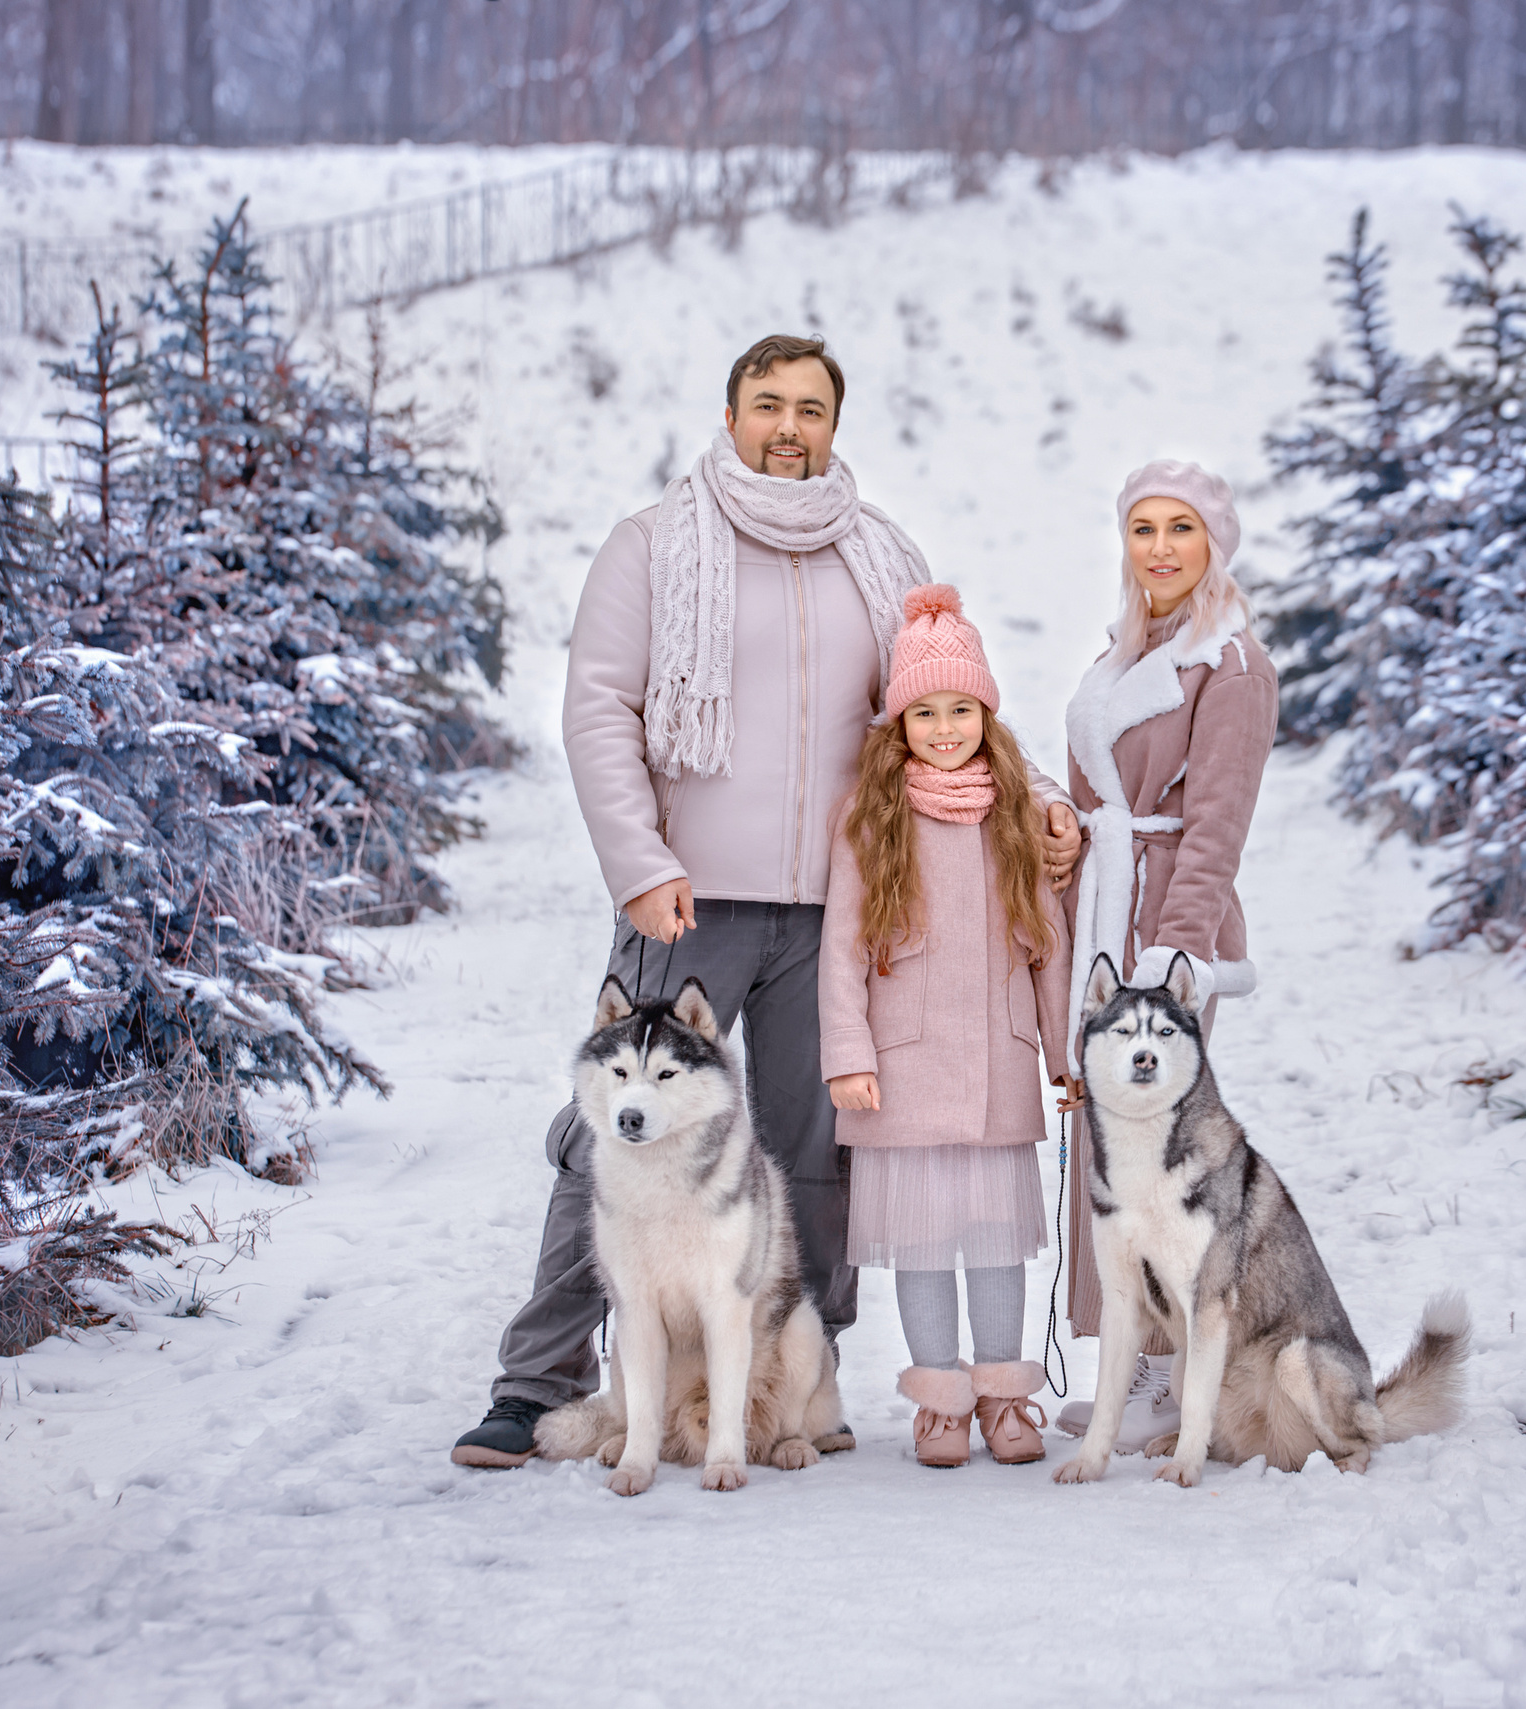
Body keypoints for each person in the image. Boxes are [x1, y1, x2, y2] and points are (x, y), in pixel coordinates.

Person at [453, 336, 1081, 1468]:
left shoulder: (881, 556)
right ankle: (535, 1378)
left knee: (815, 1146)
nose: (789, 427)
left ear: (834, 424)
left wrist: (1033, 799)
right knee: (614, 1134)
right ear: (732, 411)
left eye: (811, 408)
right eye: (768, 403)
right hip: (687, 901)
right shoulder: (654, 545)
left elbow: (943, 710)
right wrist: (640, 862)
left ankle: (800, 1374)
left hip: (840, 911)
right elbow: (598, 709)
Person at [1051, 460, 1277, 1448]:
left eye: (1180, 527)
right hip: (1103, 906)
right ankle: (1126, 1354)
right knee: (1107, 1146)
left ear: (1214, 543)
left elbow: (1216, 825)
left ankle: (1166, 1365)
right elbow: (1096, 794)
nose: (1159, 547)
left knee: (1160, 1151)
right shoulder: (1121, 650)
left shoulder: (1231, 665)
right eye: (1142, 527)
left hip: (1163, 927)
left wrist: (1171, 960)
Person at [819, 586, 1072, 1469]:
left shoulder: (1016, 811)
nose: (944, 727)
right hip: (905, 1067)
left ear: (987, 714)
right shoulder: (871, 815)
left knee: (998, 1241)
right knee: (923, 1242)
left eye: (961, 709)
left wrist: (1064, 1054)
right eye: (924, 712)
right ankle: (939, 1401)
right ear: (899, 723)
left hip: (998, 1060)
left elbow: (1047, 945)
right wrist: (848, 1054)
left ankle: (1004, 1395)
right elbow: (842, 948)